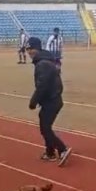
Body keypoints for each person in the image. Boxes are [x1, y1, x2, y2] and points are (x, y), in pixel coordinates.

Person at [25, 37, 73, 166]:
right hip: (51, 100)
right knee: (45, 127)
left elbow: (43, 86)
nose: (29, 51)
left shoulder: (42, 64)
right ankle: (50, 152)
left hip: (52, 101)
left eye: (31, 48)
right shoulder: (44, 61)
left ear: (37, 48)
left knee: (45, 129)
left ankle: (62, 149)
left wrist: (33, 101)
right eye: (28, 49)